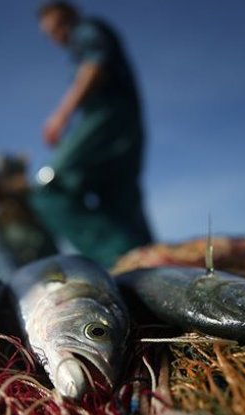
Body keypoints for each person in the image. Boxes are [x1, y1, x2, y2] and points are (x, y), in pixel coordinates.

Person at [31, 1, 153, 267]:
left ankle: (120, 258)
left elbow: (94, 66)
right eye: (50, 33)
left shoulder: (86, 31)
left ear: (71, 17)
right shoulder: (87, 38)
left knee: (49, 189)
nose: (57, 36)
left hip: (107, 118)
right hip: (125, 124)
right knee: (119, 200)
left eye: (59, 26)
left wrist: (61, 116)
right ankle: (153, 267)